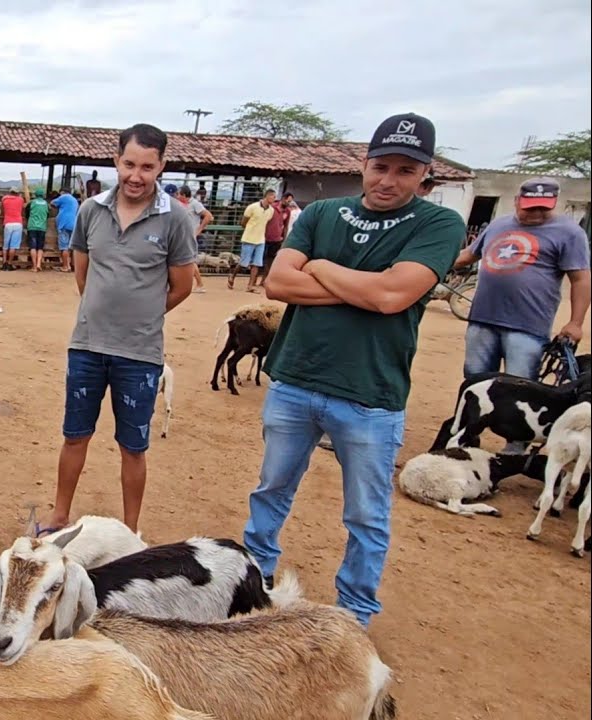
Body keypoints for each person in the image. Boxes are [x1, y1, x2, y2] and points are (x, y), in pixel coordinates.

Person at [242, 113, 465, 628]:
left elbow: (392, 297)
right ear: (364, 165)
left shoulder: (438, 224)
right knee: (271, 488)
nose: (389, 180)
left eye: (405, 171)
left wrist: (318, 267)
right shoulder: (323, 212)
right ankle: (255, 580)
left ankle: (355, 614)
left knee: (366, 513)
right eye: (380, 166)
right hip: (296, 378)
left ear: (424, 176)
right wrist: (364, 285)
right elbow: (279, 284)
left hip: (370, 392)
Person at [43, 123, 197, 535]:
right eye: (129, 164)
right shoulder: (92, 210)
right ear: (116, 161)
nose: (136, 175)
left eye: (148, 167)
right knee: (75, 435)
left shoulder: (175, 219)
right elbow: (83, 272)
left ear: (161, 166)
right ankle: (59, 516)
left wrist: (144, 314)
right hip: (88, 347)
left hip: (140, 354)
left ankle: (130, 532)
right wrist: (99, 311)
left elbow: (182, 284)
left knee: (133, 447)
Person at [452, 177, 590, 453]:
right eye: (529, 207)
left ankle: (515, 447)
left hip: (527, 325)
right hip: (482, 318)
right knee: (476, 378)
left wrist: (575, 322)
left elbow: (581, 279)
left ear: (554, 203)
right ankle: (468, 438)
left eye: (543, 208)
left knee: (523, 387)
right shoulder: (498, 225)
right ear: (517, 201)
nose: (536, 213)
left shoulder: (569, 233)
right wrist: (424, 264)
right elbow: (469, 254)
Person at [229, 188, 275, 292]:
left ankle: (250, 285)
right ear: (267, 196)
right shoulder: (252, 207)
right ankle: (232, 276)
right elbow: (243, 222)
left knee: (257, 263)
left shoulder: (271, 210)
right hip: (249, 238)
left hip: (260, 239)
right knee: (243, 262)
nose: (274, 199)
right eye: (272, 196)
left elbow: (266, 223)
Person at [179, 185, 212, 293]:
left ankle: (200, 284)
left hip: (190, 238)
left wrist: (199, 230)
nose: (177, 196)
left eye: (179, 194)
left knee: (190, 260)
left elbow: (209, 216)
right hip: (183, 236)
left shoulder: (195, 204)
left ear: (184, 195)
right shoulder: (183, 204)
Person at [256, 191, 291, 288]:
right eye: (287, 201)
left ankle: (264, 280)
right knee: (259, 259)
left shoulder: (287, 211)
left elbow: (286, 226)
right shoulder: (272, 208)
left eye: (290, 202)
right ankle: (254, 279)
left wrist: (284, 239)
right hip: (264, 237)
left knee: (270, 261)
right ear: (283, 199)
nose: (288, 203)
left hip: (276, 239)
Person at [50, 187, 79, 272]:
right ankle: (73, 265)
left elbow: (52, 203)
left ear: (62, 192)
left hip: (64, 224)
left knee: (64, 247)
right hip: (74, 223)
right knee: (73, 247)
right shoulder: (75, 200)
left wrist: (57, 208)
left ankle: (66, 266)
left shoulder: (64, 197)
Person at [0, 187, 24, 271]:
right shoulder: (20, 199)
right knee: (13, 246)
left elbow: (2, 209)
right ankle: (9, 263)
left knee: (5, 245)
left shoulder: (4, 199)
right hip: (18, 223)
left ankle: (4, 263)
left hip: (7, 222)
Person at [26, 191, 50, 272]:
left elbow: (27, 213)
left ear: (35, 195)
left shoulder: (32, 202)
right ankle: (39, 264)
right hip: (42, 227)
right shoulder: (46, 204)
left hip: (32, 226)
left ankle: (34, 266)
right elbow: (48, 214)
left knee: (33, 247)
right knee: (40, 247)